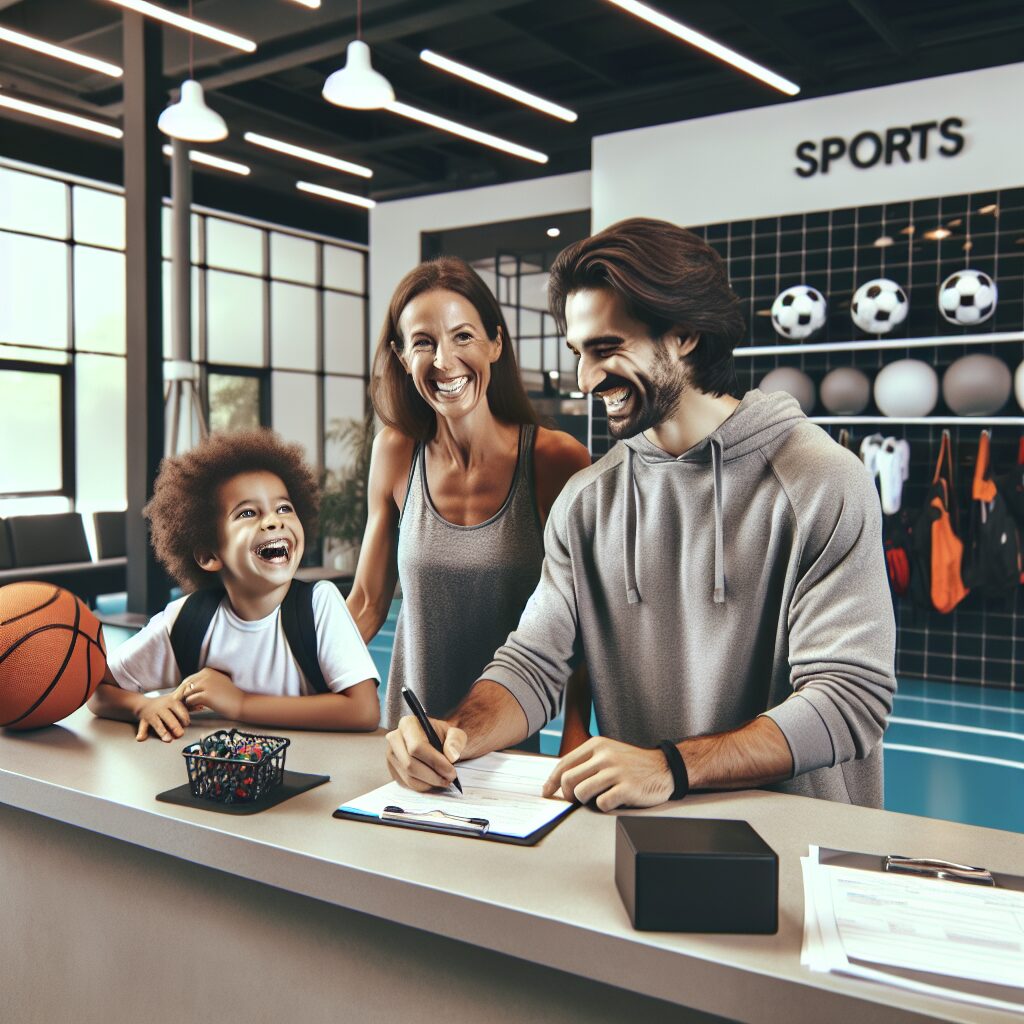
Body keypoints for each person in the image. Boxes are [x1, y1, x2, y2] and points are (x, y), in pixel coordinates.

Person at [384, 218, 897, 810]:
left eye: (606, 349)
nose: (585, 379)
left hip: (793, 853)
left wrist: (670, 766)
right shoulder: (586, 500)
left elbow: (849, 696)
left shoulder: (823, 480)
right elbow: (533, 662)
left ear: (684, 336)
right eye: (579, 352)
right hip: (640, 844)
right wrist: (455, 732)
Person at [346, 257, 591, 746]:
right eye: (423, 342)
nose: (443, 360)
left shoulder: (555, 459)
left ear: (495, 343)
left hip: (504, 744)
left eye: (462, 336)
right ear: (400, 355)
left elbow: (585, 621)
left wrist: (576, 736)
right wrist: (281, 688)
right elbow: (369, 604)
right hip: (405, 739)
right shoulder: (395, 452)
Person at [89, 429, 380, 741]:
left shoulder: (319, 604)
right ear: (209, 555)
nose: (273, 521)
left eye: (283, 508)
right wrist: (141, 706)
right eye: (248, 513)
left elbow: (363, 711)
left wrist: (240, 703)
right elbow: (98, 691)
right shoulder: (188, 620)